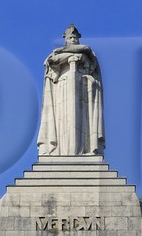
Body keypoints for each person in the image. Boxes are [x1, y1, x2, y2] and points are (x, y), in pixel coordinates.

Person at [36, 24, 104, 156]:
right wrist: (69, 57)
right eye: (70, 37)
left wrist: (83, 60)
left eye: (74, 37)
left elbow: (92, 66)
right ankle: (60, 152)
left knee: (83, 121)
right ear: (65, 39)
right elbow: (51, 62)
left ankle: (85, 149)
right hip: (63, 86)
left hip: (84, 87)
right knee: (62, 122)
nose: (73, 39)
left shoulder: (89, 54)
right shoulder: (57, 53)